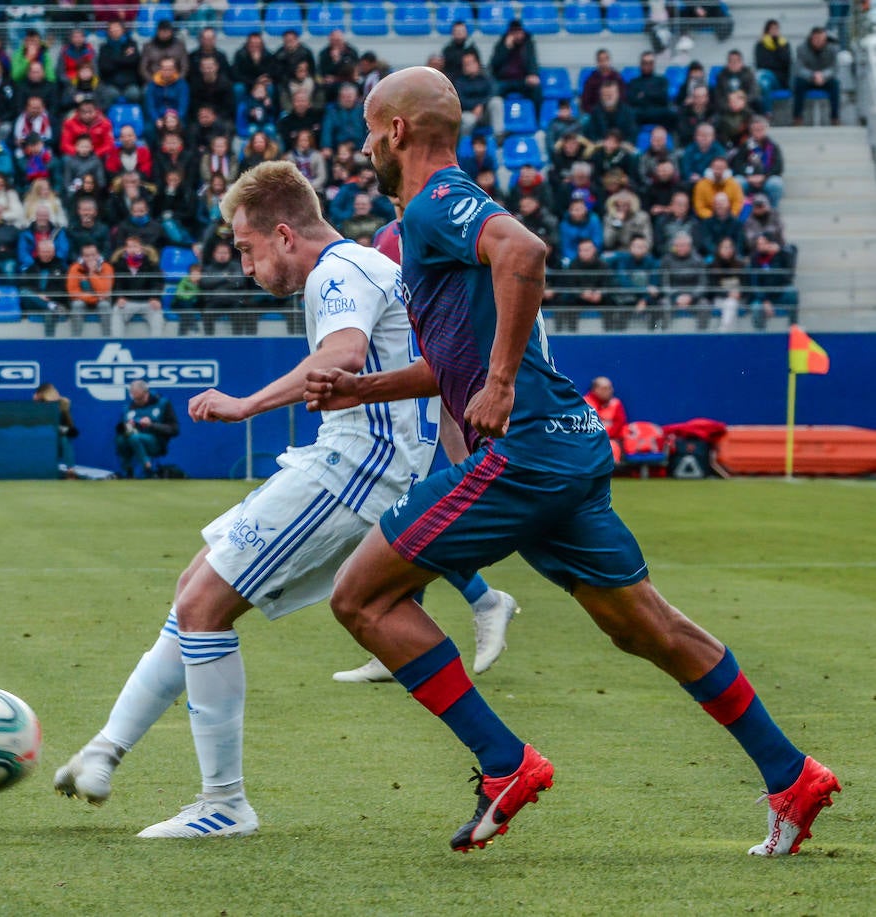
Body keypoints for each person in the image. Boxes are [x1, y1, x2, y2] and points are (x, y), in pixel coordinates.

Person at [302, 65, 837, 856]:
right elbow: (455, 357)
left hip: (525, 450)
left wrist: (502, 380)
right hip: (567, 443)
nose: (364, 149)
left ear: (397, 131)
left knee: (361, 598)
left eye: (368, 133)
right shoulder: (427, 216)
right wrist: (366, 386)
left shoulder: (437, 202)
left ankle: (504, 763)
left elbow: (524, 251)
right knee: (643, 626)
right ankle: (792, 774)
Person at [58, 161, 518, 837]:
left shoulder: (337, 272)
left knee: (203, 604)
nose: (245, 267)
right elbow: (430, 377)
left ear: (281, 233)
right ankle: (106, 747)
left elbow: (343, 355)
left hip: (353, 468)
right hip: (368, 468)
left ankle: (223, 802)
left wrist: (248, 404)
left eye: (245, 249)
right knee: (196, 591)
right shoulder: (373, 267)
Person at [108, 233, 164, 336]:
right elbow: (117, 283)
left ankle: (156, 344)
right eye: (129, 247)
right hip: (128, 301)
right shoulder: (119, 263)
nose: (132, 249)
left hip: (147, 301)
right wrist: (120, 297)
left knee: (157, 313)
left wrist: (154, 297)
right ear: (125, 249)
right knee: (117, 311)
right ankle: (117, 341)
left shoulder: (151, 263)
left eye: (135, 246)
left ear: (141, 248)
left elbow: (157, 282)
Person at [488, 20, 541, 107]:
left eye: (519, 32)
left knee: (536, 89)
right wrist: (506, 48)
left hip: (523, 80)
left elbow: (532, 61)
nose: (518, 35)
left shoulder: (528, 44)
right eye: (515, 32)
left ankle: (537, 119)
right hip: (504, 80)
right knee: (493, 92)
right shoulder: (502, 44)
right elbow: (494, 65)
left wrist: (533, 74)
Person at [794, 27, 839, 125]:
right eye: (817, 39)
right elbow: (799, 68)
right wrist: (813, 75)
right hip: (808, 79)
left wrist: (822, 75)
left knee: (835, 84)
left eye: (822, 39)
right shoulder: (801, 48)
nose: (819, 41)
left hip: (825, 79)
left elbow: (834, 68)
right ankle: (797, 117)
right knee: (798, 83)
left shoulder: (832, 49)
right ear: (812, 38)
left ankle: (835, 118)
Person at [34, 382, 79, 477]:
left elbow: (73, 432)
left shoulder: (61, 407)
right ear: (41, 395)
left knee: (65, 439)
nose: (56, 394)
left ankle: (70, 470)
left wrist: (66, 412)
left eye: (55, 391)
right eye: (51, 392)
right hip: (39, 446)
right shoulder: (36, 408)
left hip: (55, 446)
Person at [584, 377, 627, 460]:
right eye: (605, 388)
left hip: (611, 440)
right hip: (590, 441)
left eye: (610, 388)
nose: (609, 391)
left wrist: (604, 436)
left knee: (612, 447)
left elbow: (619, 425)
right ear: (595, 389)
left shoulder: (616, 404)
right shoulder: (585, 403)